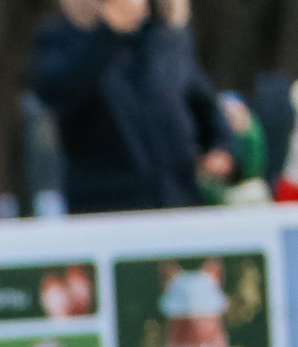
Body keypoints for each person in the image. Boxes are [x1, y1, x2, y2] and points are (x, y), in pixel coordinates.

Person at [30, 0, 233, 213]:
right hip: (105, 209)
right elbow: (55, 93)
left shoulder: (169, 40)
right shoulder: (66, 38)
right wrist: (107, 34)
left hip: (176, 204)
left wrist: (221, 147)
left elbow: (205, 108)